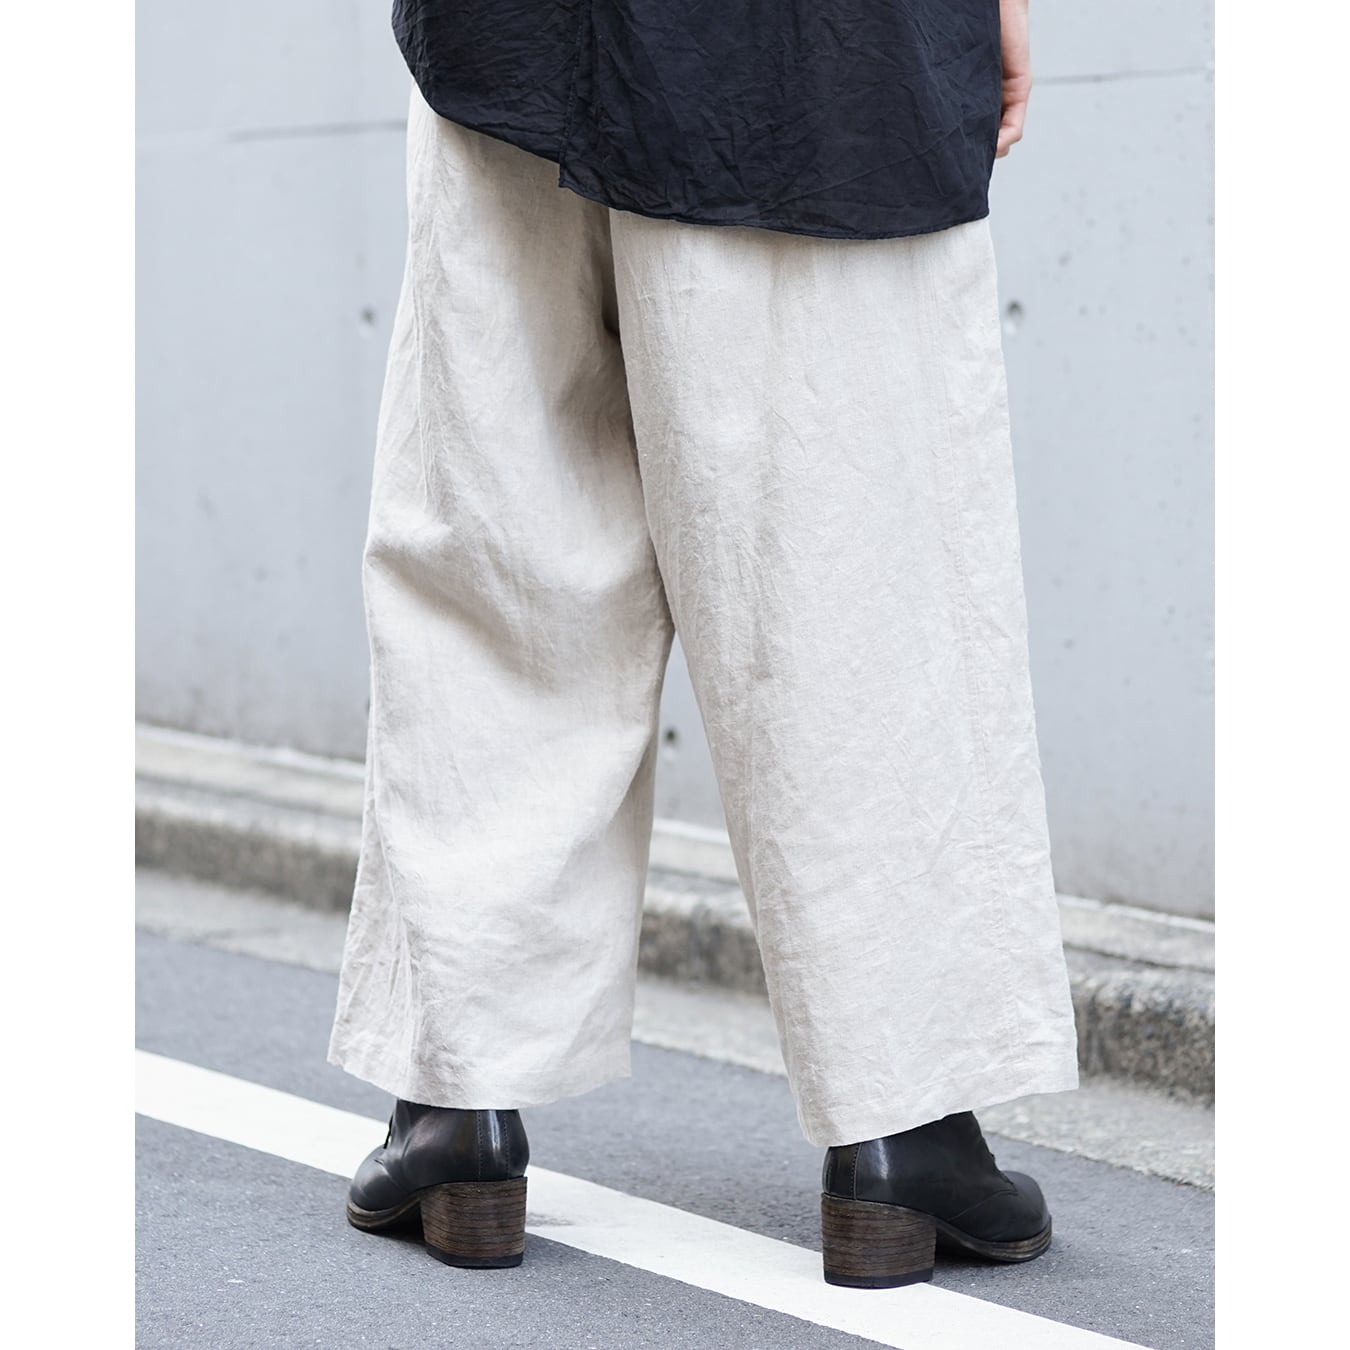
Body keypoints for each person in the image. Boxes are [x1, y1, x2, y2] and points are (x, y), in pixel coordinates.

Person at [329, 0, 1080, 1289]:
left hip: (518, 40)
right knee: (850, 582)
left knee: (504, 565)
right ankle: (902, 1127)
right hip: (817, 53)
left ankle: (461, 1101)